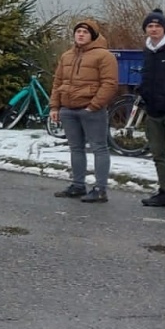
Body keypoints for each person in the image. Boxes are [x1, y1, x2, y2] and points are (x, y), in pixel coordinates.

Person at [48, 18, 119, 204]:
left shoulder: (104, 56)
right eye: (78, 31)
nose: (80, 34)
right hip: (68, 110)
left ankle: (100, 189)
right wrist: (55, 107)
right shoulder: (67, 56)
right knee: (75, 148)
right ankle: (78, 185)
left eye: (85, 32)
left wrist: (93, 105)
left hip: (91, 110)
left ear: (93, 36)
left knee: (99, 148)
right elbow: (57, 83)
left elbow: (110, 84)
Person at [139, 9, 165, 207]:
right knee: (158, 153)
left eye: (158, 26)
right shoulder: (148, 50)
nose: (154, 29)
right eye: (150, 26)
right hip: (153, 110)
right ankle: (164, 190)